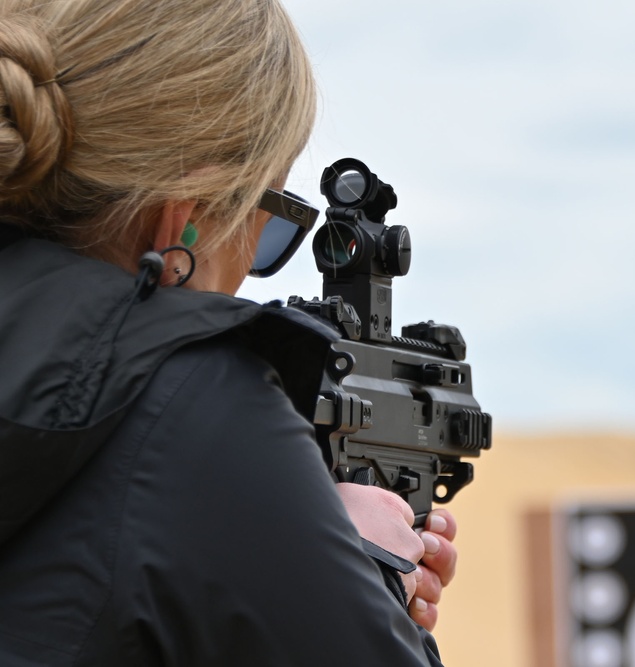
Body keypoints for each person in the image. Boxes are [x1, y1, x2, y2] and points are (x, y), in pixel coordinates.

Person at [0, 0, 457, 664]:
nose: (252, 268)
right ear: (182, 220)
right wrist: (360, 566)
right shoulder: (196, 403)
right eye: (270, 217)